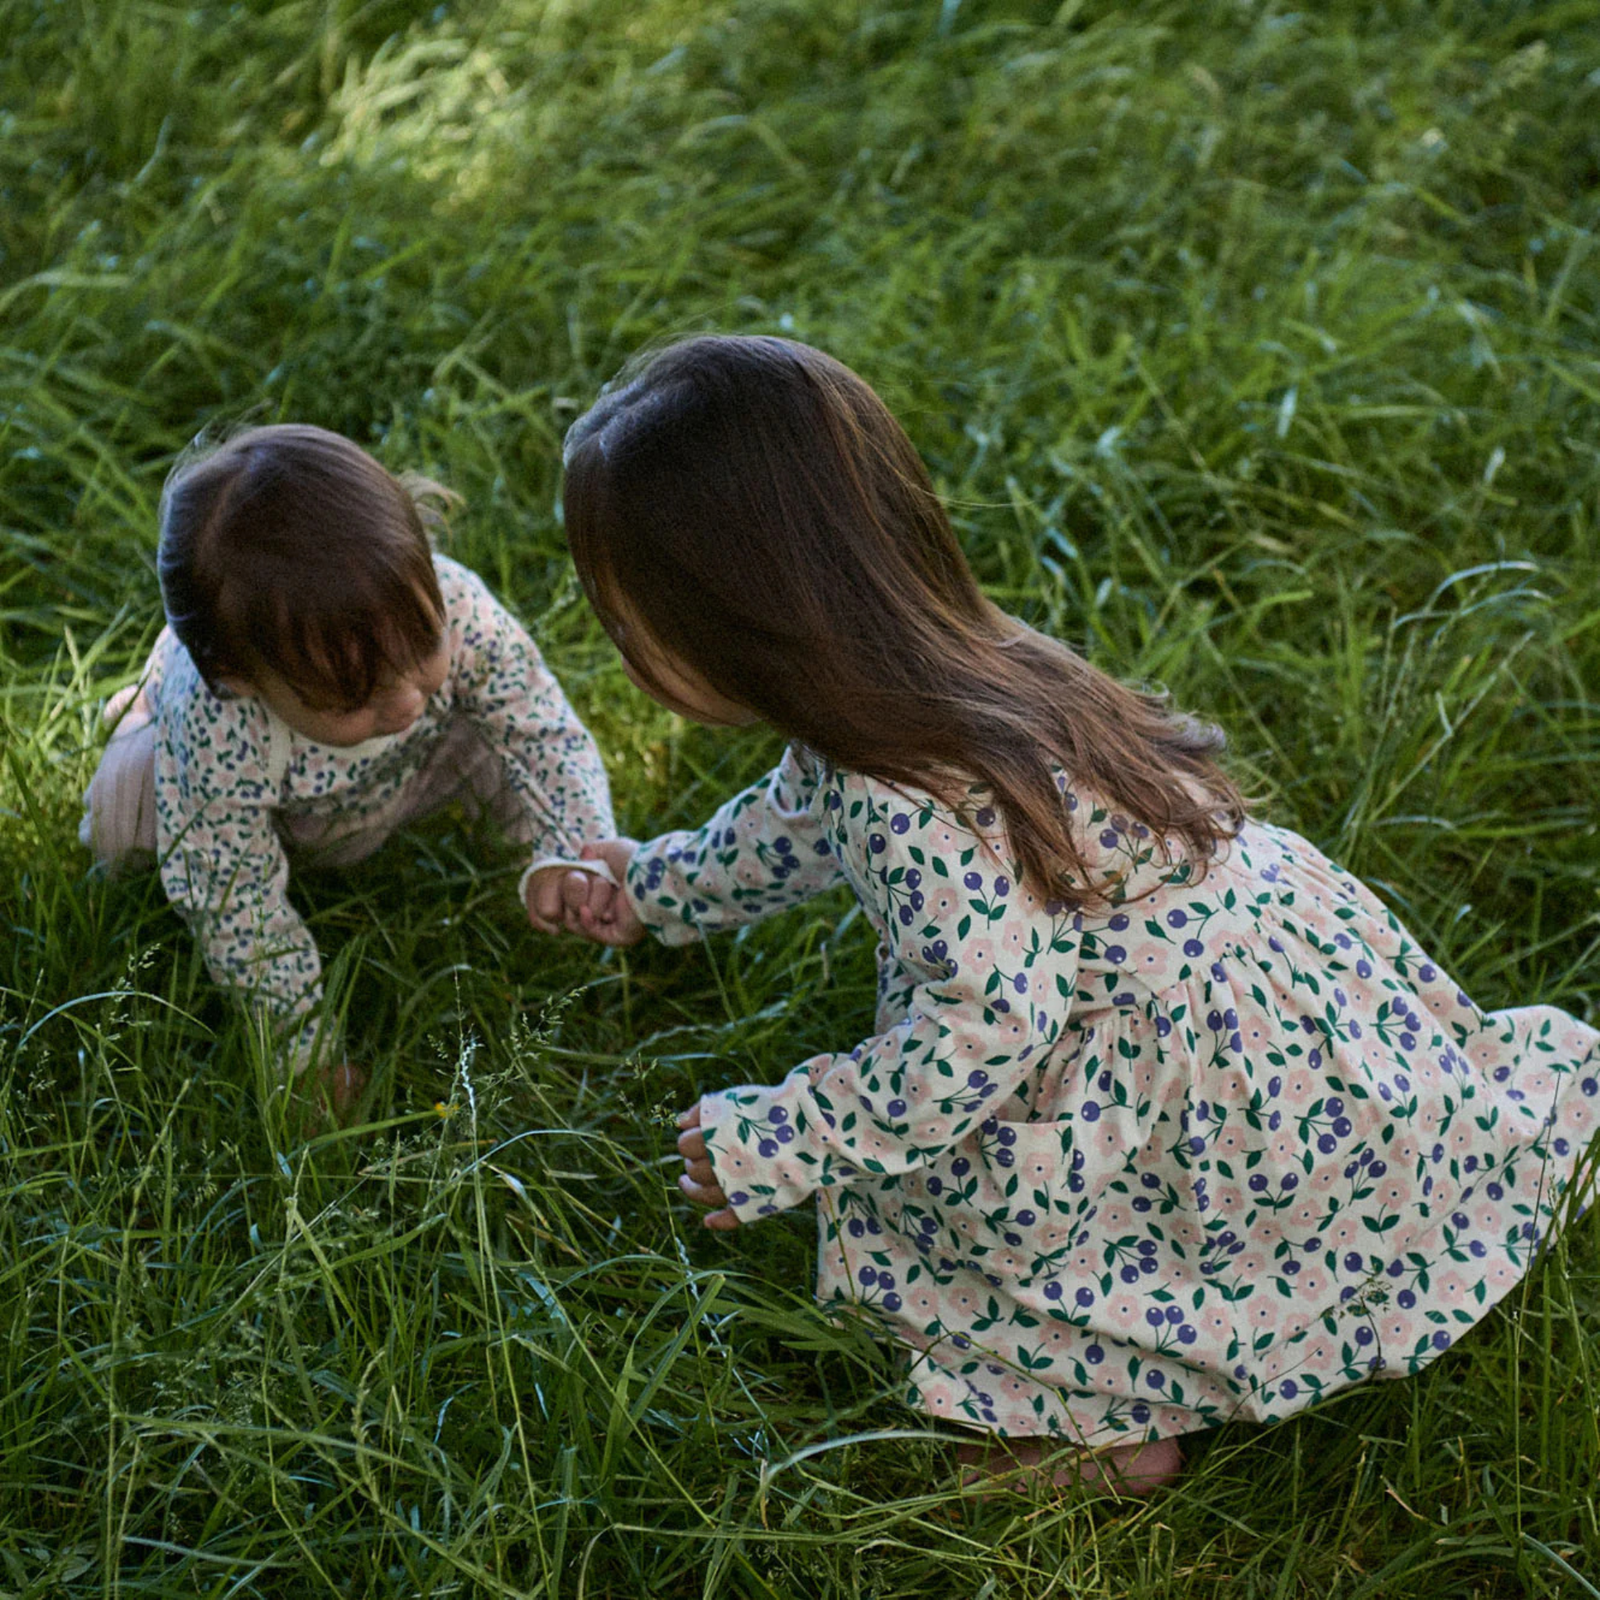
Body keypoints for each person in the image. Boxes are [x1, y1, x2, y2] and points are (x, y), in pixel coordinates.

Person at [530, 333, 1600, 1495]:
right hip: (1278, 992)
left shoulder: (899, 802)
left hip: (1184, 1082)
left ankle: (1098, 1424)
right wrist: (652, 886)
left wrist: (793, 1131)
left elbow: (987, 1030)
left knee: (990, 1246)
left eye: (632, 626)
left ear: (742, 622)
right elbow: (789, 827)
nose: (624, 651)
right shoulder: (947, 666)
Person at [83, 423, 615, 1117]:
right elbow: (233, 902)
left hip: (413, 774)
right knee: (128, 824)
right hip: (278, 807)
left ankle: (545, 867)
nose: (405, 699)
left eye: (423, 645)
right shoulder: (220, 724)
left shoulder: (458, 614)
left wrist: (580, 850)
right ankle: (138, 718)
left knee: (499, 742)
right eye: (351, 696)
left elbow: (542, 734)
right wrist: (304, 1053)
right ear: (239, 677)